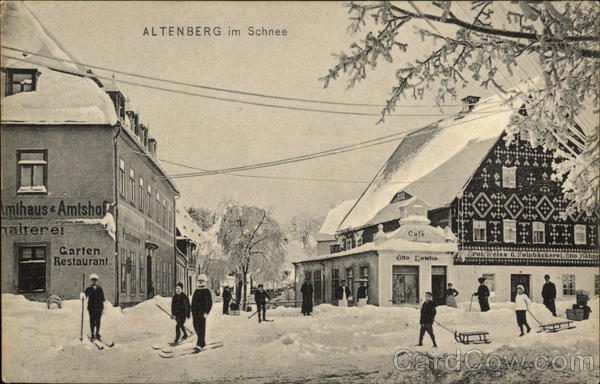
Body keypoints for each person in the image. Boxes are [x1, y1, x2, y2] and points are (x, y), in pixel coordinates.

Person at [191, 274, 212, 351]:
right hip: (195, 313)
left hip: (202, 313)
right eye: (199, 281)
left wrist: (206, 312)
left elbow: (209, 303)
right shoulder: (196, 291)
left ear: (205, 282)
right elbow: (193, 301)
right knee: (195, 326)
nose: (200, 282)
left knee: (201, 328)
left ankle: (199, 344)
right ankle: (202, 342)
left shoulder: (206, 291)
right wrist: (191, 309)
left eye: (202, 281)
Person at [83, 273, 105, 341]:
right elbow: (84, 296)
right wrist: (82, 295)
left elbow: (103, 299)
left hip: (98, 308)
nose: (94, 282)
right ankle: (92, 333)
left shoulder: (100, 289)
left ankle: (97, 333)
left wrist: (102, 308)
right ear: (91, 281)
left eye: (95, 280)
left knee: (98, 321)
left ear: (97, 281)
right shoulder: (88, 289)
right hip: (91, 308)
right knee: (92, 321)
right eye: (92, 280)